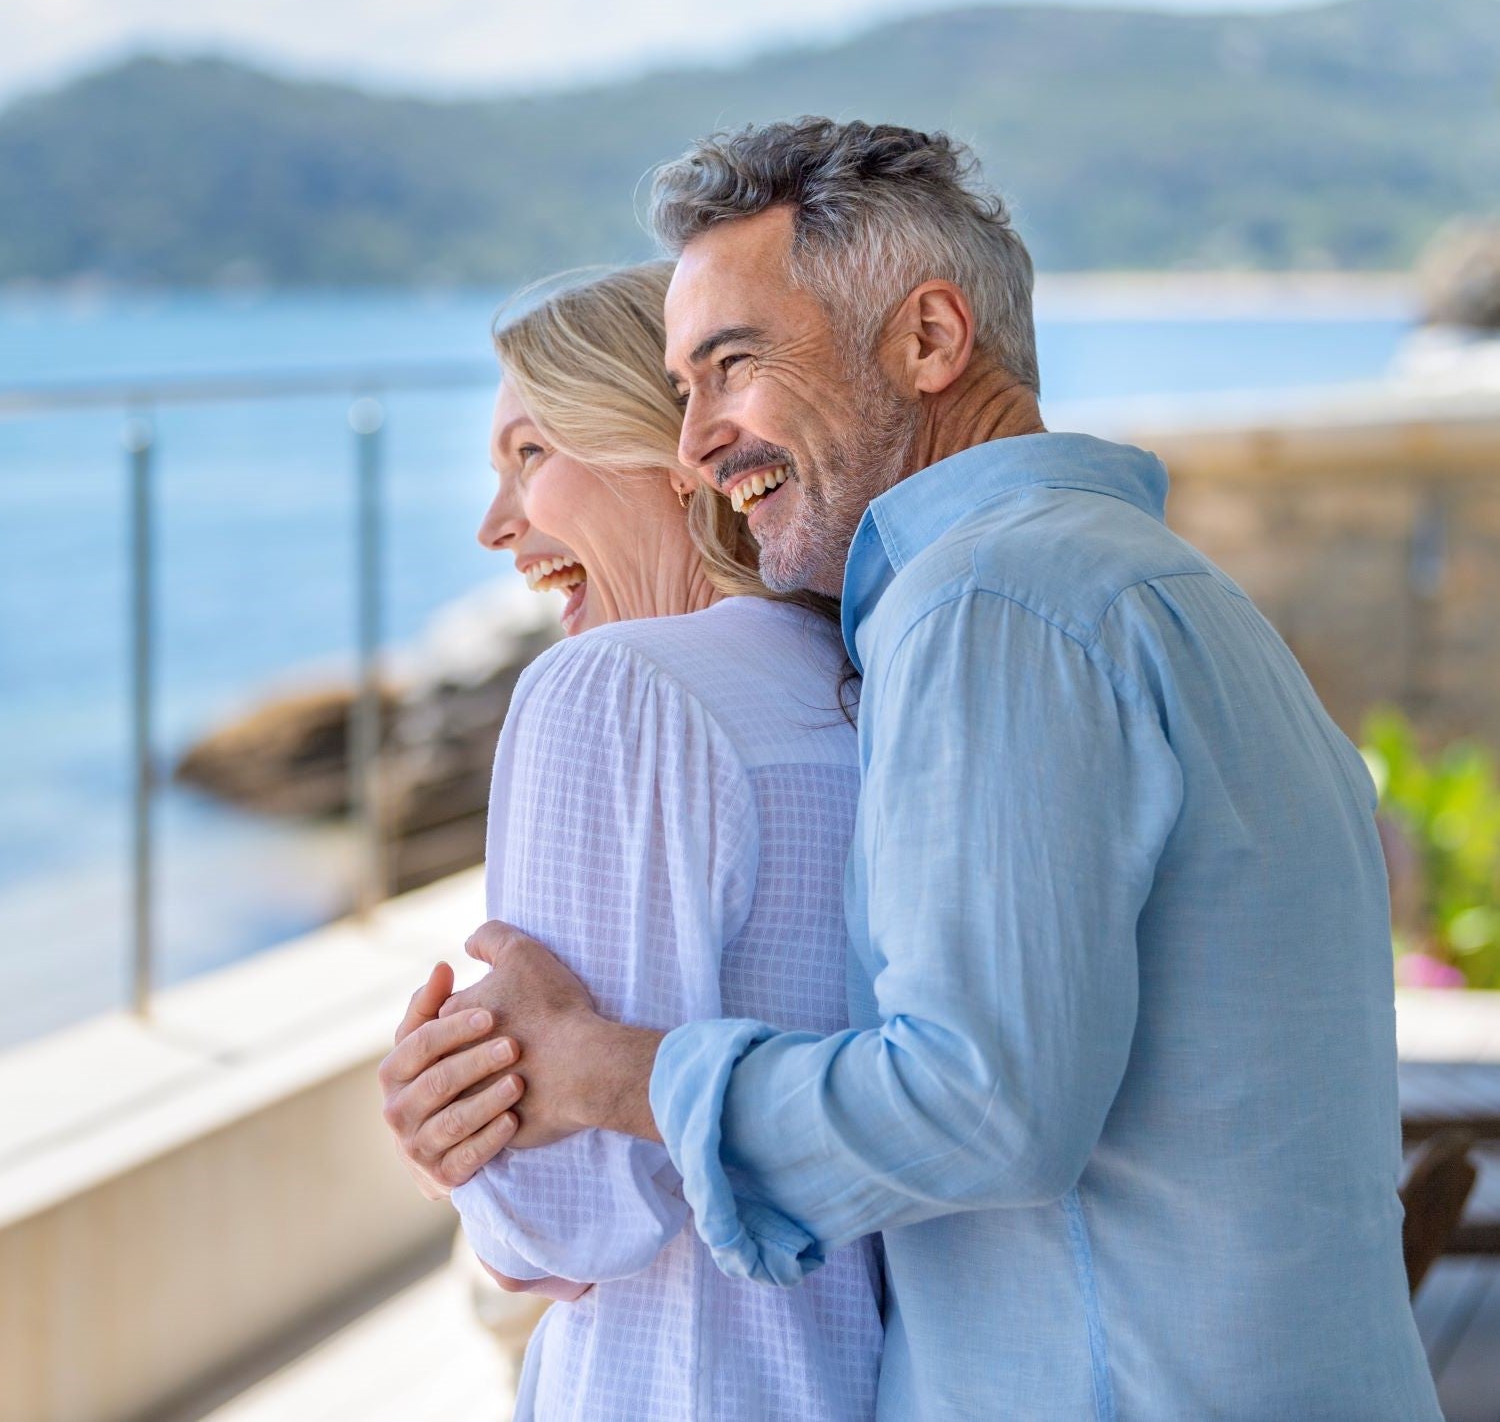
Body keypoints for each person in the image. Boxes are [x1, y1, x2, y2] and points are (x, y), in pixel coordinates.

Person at [414, 121, 1443, 1420]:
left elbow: (982, 1103)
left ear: (929, 341)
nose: (697, 453)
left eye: (732, 369)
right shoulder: (1166, 592)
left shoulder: (991, 607)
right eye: (681, 391)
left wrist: (598, 1072)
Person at [377, 261, 881, 1420]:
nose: (496, 526)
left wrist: (459, 1145)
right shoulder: (865, 680)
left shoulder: (609, 687)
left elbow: (569, 1222)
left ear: (677, 449)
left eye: (530, 456)